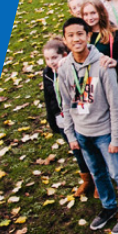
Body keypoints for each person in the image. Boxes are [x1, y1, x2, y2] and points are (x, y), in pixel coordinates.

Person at [56, 18, 118, 234]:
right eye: (71, 35)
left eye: (80, 34)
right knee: (97, 172)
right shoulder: (64, 68)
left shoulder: (103, 64)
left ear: (88, 36)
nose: (76, 39)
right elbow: (66, 103)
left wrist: (116, 137)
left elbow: (116, 103)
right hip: (82, 134)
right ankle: (109, 206)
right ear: (65, 40)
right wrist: (70, 134)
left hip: (104, 133)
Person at [42, 38, 96, 198]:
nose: (51, 62)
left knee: (88, 150)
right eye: (47, 59)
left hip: (78, 119)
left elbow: (85, 98)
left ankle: (98, 179)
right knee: (76, 151)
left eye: (54, 58)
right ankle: (86, 179)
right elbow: (48, 97)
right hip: (61, 120)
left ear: (64, 55)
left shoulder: (75, 70)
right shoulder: (47, 73)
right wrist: (52, 119)